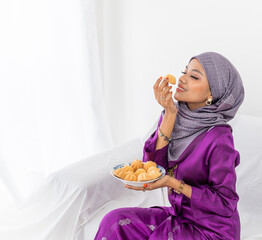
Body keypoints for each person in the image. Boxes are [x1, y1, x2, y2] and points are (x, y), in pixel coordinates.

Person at [94, 51, 245, 240]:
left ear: (212, 94)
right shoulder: (173, 116)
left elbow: (224, 204)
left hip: (211, 230)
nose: (182, 79)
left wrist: (172, 183)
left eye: (194, 76)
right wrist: (169, 113)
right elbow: (153, 168)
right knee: (114, 221)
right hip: (179, 217)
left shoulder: (218, 137)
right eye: (184, 72)